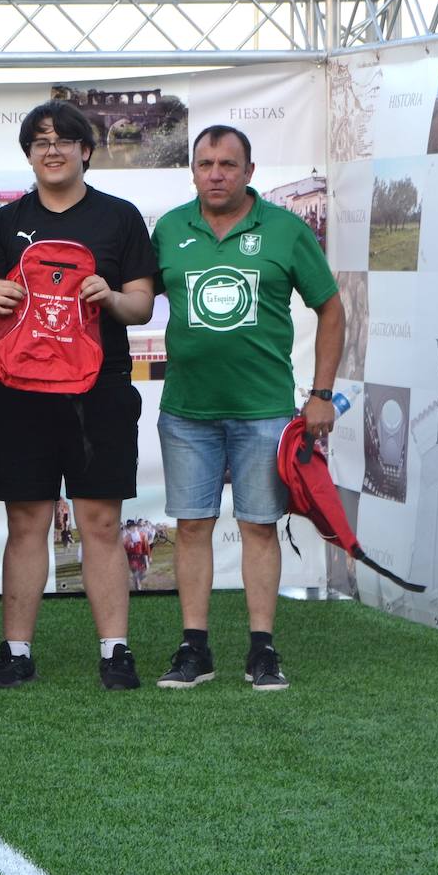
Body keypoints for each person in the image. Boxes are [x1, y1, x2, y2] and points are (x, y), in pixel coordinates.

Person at [152, 125, 344, 691]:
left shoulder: (285, 229)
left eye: (228, 164)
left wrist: (322, 394)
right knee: (192, 527)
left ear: (249, 172)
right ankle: (195, 649)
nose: (216, 174)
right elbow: (135, 298)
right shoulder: (169, 229)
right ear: (192, 171)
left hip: (264, 411)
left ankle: (262, 649)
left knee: (259, 527)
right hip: (186, 411)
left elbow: (331, 309)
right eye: (205, 164)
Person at [0, 100, 156, 690]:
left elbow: (141, 305)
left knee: (100, 521)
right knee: (26, 521)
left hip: (99, 390)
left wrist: (111, 297)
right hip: (19, 393)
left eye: (63, 140)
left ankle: (115, 651)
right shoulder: (4, 221)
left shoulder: (119, 217)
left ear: (85, 150)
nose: (51, 150)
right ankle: (16, 651)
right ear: (29, 155)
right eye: (40, 142)